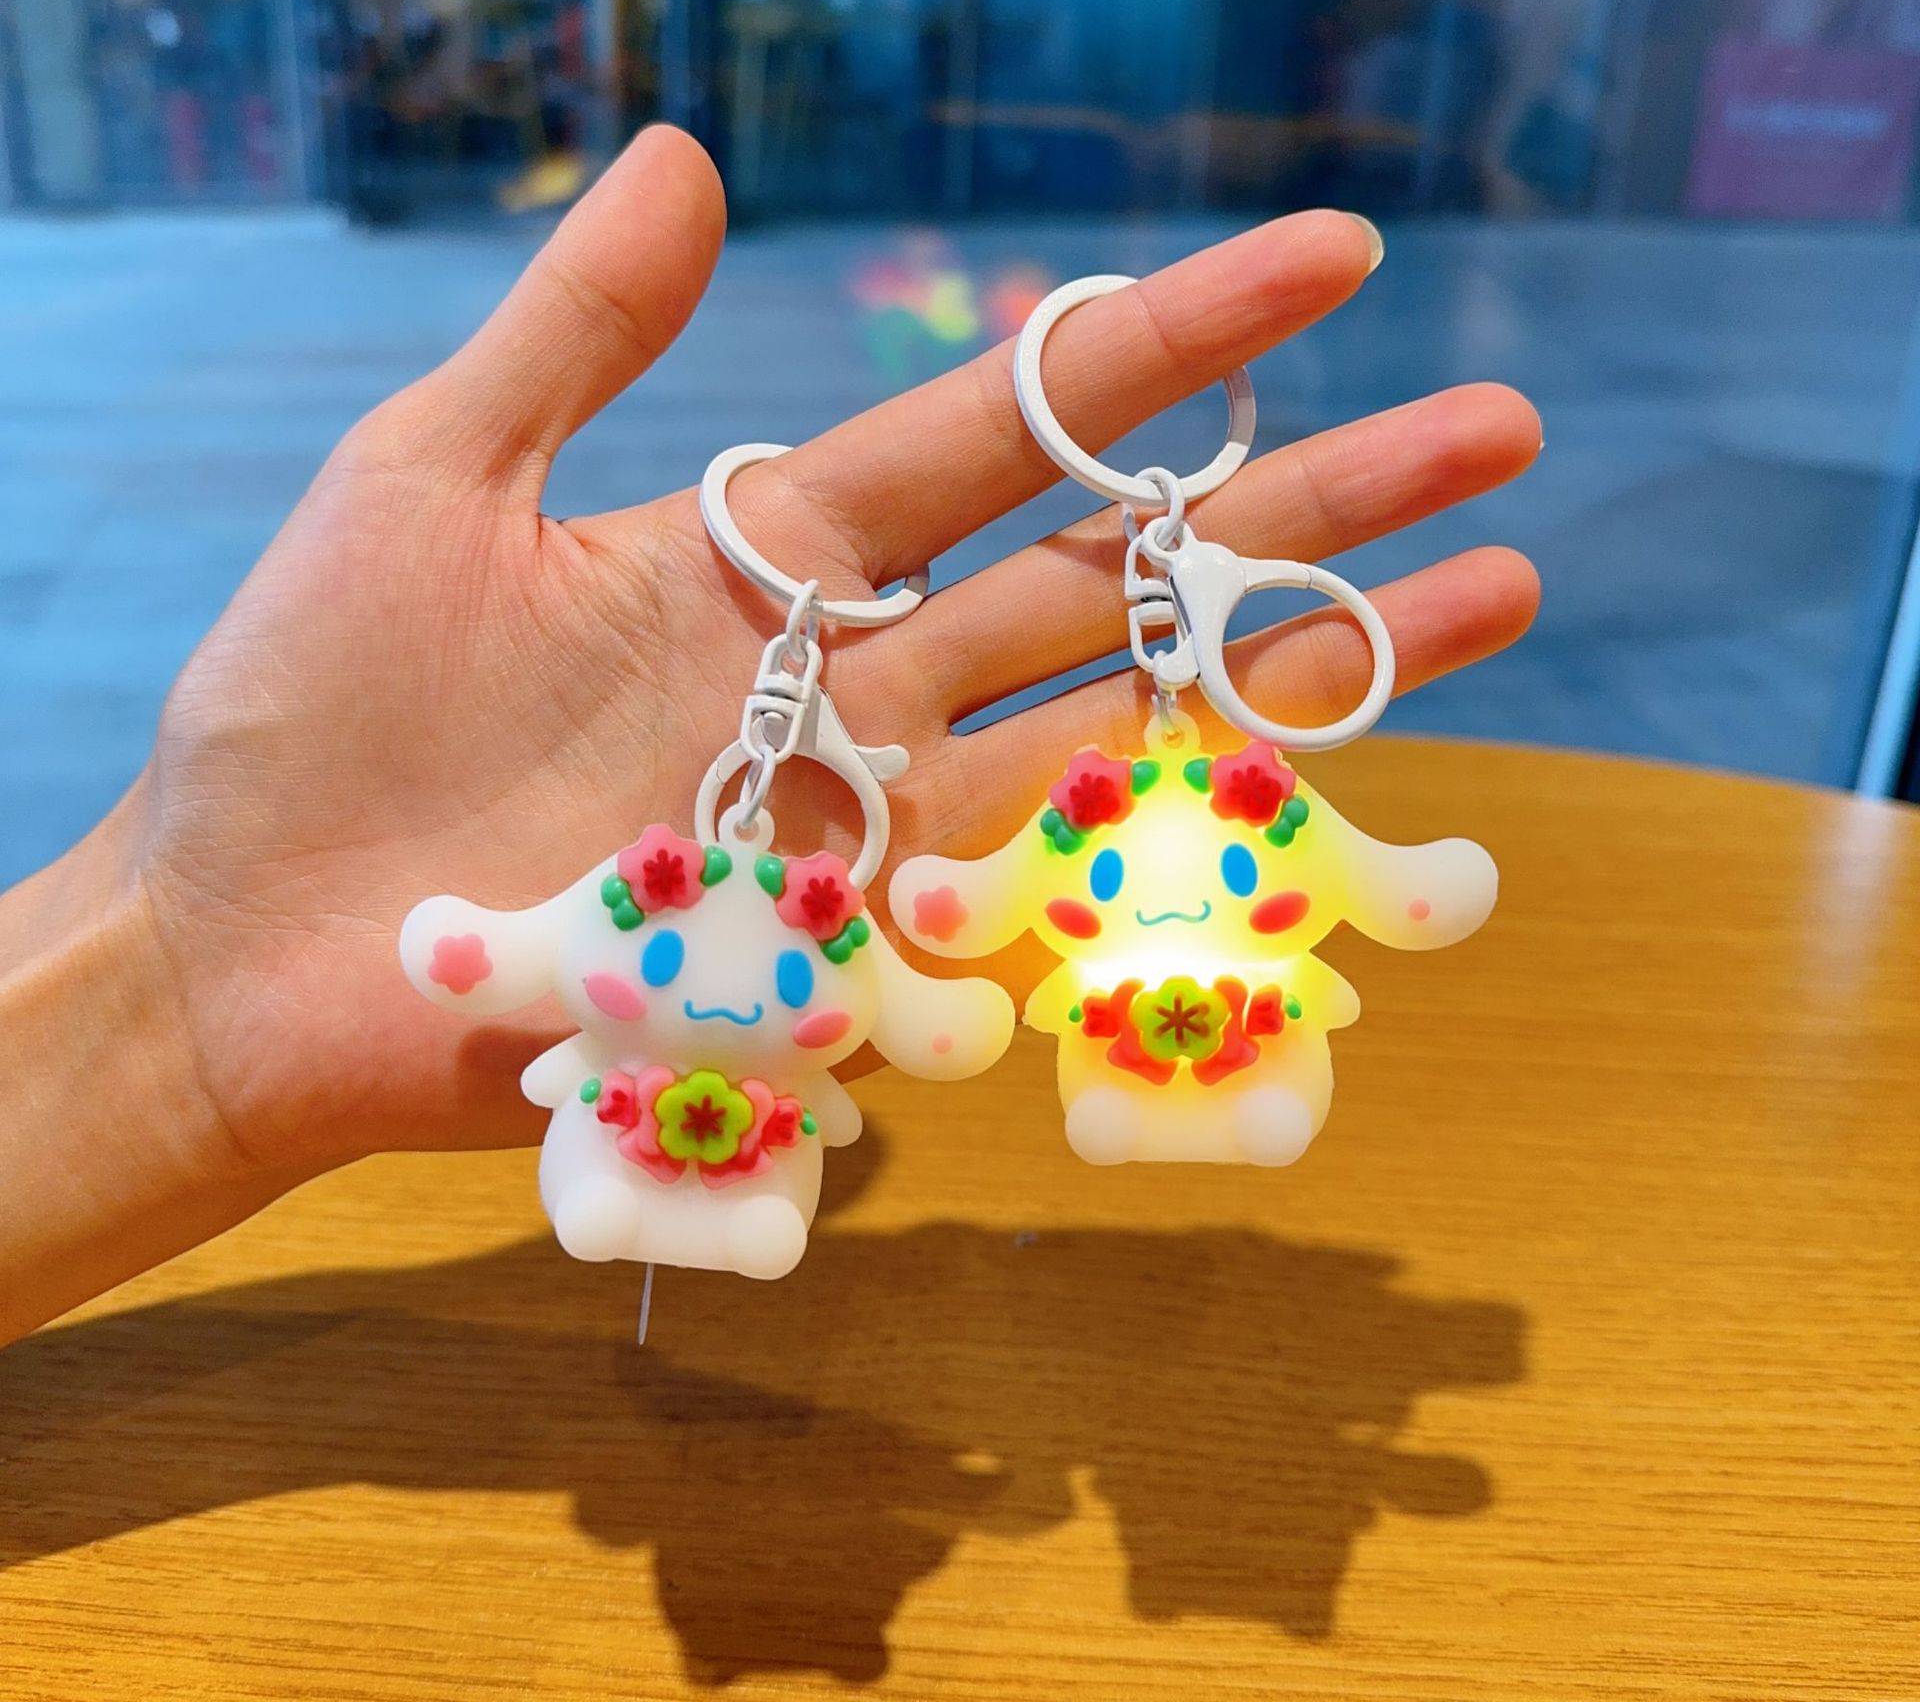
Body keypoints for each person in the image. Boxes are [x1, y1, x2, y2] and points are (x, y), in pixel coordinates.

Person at [0, 127, 1541, 1345]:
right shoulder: (654, 905)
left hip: (1217, 1024)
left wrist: (955, 945)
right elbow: (548, 944)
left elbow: (963, 941)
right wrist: (434, 953)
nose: (737, 989)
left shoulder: (1208, 817)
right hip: (679, 1123)